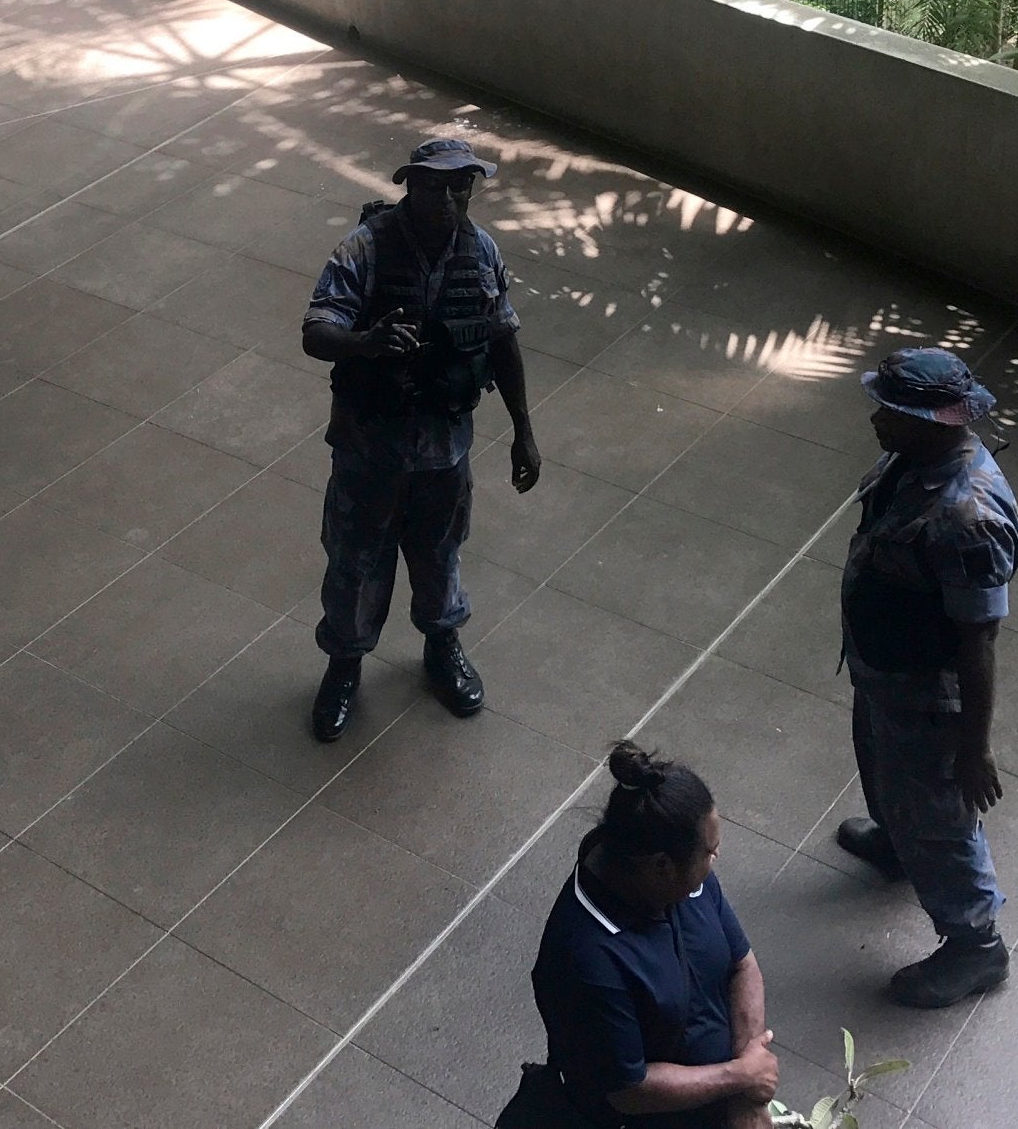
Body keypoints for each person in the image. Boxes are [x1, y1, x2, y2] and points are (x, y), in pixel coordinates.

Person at [301, 136, 541, 741]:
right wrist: (366, 343)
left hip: (444, 448)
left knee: (440, 553)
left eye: (463, 185)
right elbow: (316, 330)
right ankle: (345, 664)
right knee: (356, 559)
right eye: (437, 184)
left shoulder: (480, 250)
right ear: (411, 184)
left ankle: (442, 647)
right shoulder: (367, 247)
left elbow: (504, 341)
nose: (452, 196)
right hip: (369, 447)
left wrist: (523, 434)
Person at [832, 346, 1018, 1008]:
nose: (877, 421)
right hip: (885, 669)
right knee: (884, 769)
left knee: (940, 817)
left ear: (938, 421)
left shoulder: (967, 514)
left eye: (892, 411)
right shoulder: (913, 457)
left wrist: (973, 747)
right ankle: (895, 839)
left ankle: (976, 947)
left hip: (925, 694)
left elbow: (978, 640)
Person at [507, 742, 780, 1129]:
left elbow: (742, 966)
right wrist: (741, 1077)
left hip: (725, 1097)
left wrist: (746, 1094)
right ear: (662, 867)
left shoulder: (686, 880)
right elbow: (630, 1090)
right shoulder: (586, 958)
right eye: (710, 852)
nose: (716, 859)